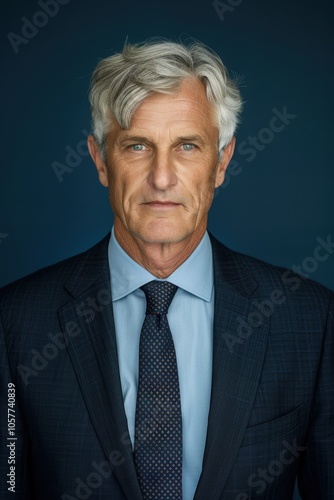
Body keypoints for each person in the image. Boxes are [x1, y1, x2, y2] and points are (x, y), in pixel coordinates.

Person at [0, 40, 333, 500]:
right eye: (137, 146)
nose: (161, 177)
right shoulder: (15, 321)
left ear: (221, 162)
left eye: (187, 146)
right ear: (100, 160)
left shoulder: (311, 321)